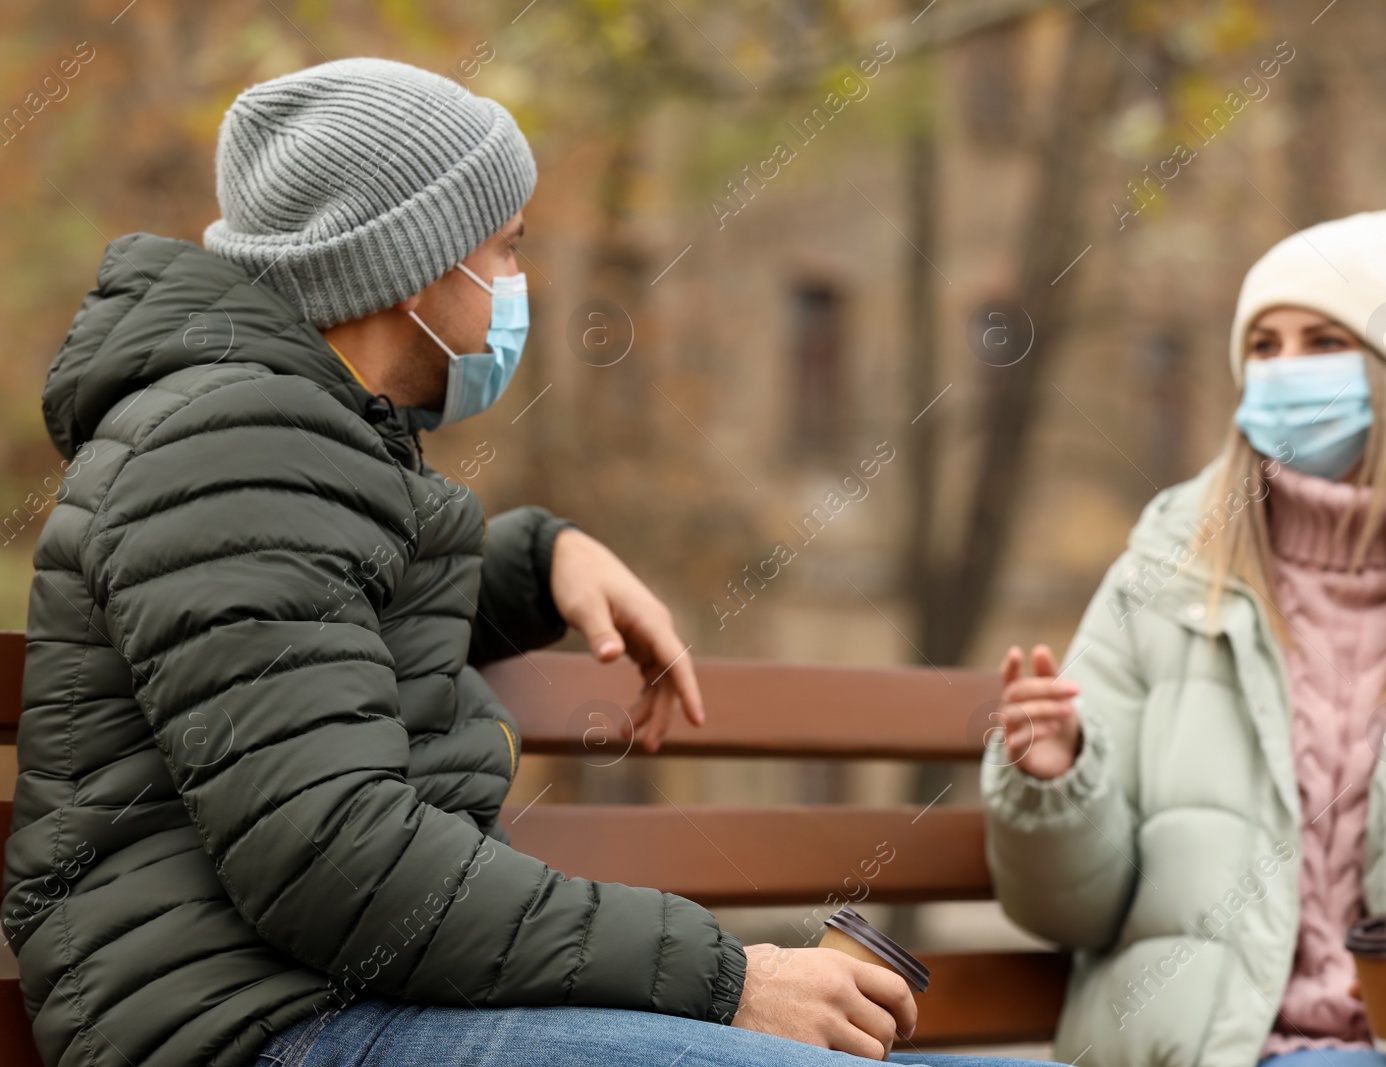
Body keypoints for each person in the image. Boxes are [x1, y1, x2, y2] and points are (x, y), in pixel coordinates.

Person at [2, 59, 1054, 1067]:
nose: (518, 281)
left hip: (326, 1002)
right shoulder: (228, 445)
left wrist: (541, 558)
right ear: (405, 261)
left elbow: (307, 632)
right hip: (261, 1026)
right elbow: (336, 860)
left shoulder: (277, 436)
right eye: (504, 247)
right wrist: (729, 977)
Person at [983, 210, 1386, 1067]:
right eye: (1263, 347)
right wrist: (1055, 785)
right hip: (1235, 1048)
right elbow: (1071, 911)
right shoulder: (1166, 573)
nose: (1283, 370)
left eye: (1320, 340)